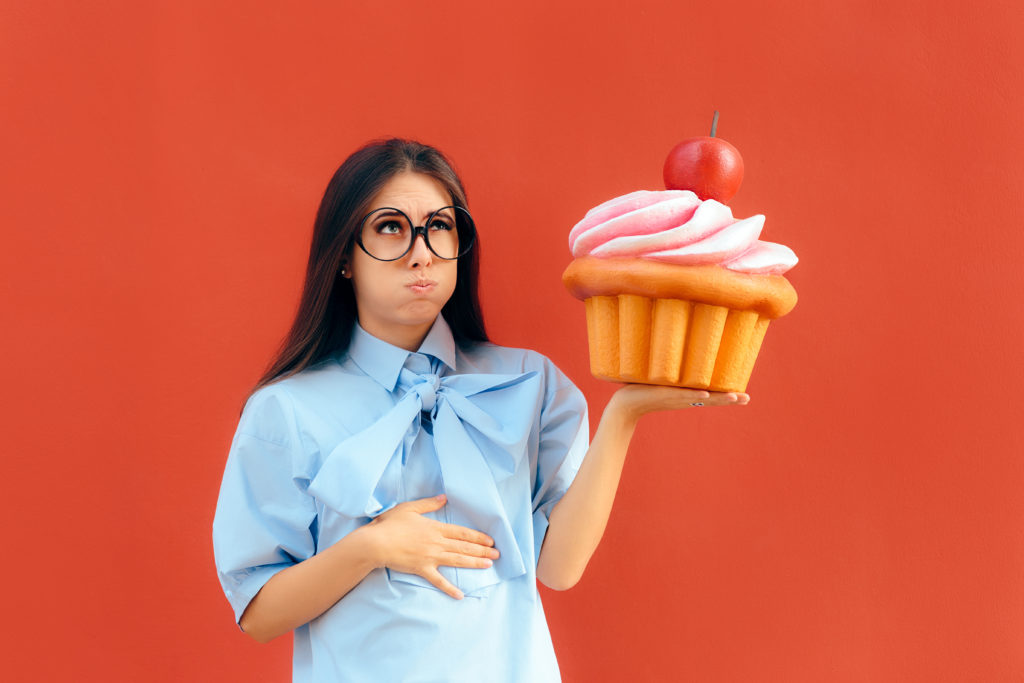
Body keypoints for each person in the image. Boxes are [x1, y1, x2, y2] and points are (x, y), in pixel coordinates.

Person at [212, 138, 749, 682]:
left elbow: (559, 569)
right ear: (344, 256)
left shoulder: (529, 382)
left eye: (439, 227)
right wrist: (370, 547)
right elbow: (258, 614)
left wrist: (624, 414)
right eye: (390, 227)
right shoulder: (284, 411)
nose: (421, 252)